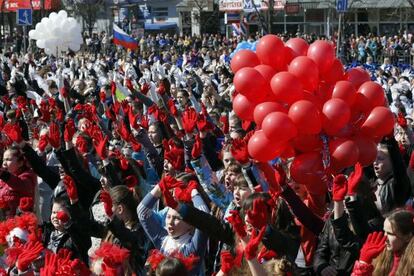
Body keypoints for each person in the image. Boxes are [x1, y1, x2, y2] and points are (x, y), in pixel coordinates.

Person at [352, 209, 414, 275]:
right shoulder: (382, 257)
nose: (385, 238)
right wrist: (364, 263)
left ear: (407, 237)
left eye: (390, 233)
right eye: (384, 231)